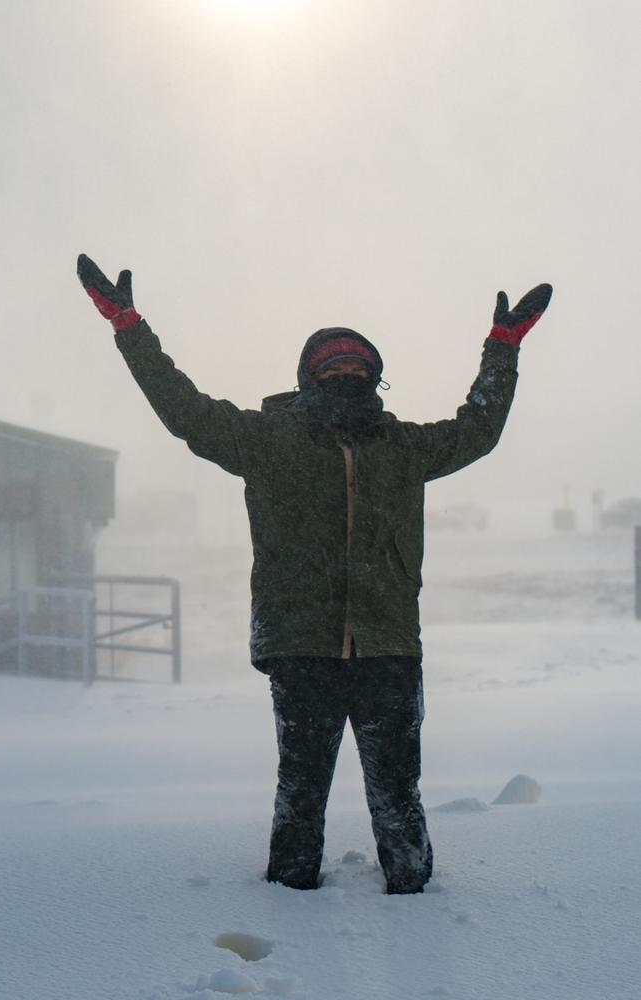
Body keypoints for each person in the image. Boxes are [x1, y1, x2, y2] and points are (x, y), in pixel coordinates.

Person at [77, 254, 552, 893]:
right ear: (308, 377)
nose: (347, 373)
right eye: (334, 366)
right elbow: (184, 410)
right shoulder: (267, 441)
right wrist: (130, 328)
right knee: (300, 790)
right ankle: (290, 899)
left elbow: (480, 429)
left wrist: (502, 349)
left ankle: (413, 901)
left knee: (397, 791)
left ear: (376, 377)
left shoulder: (404, 447)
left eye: (358, 366)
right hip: (300, 647)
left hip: (387, 647)